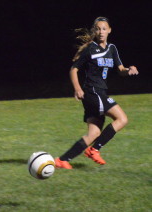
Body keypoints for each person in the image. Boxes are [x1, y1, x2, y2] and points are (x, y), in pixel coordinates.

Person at [55, 17, 139, 169]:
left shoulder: (112, 48)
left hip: (99, 92)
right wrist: (77, 88)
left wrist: (129, 70)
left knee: (93, 134)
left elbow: (121, 70)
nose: (101, 32)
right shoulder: (90, 49)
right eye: (98, 29)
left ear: (109, 30)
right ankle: (94, 150)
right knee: (122, 118)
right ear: (94, 31)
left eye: (104, 29)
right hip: (93, 92)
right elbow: (74, 69)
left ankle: (62, 160)